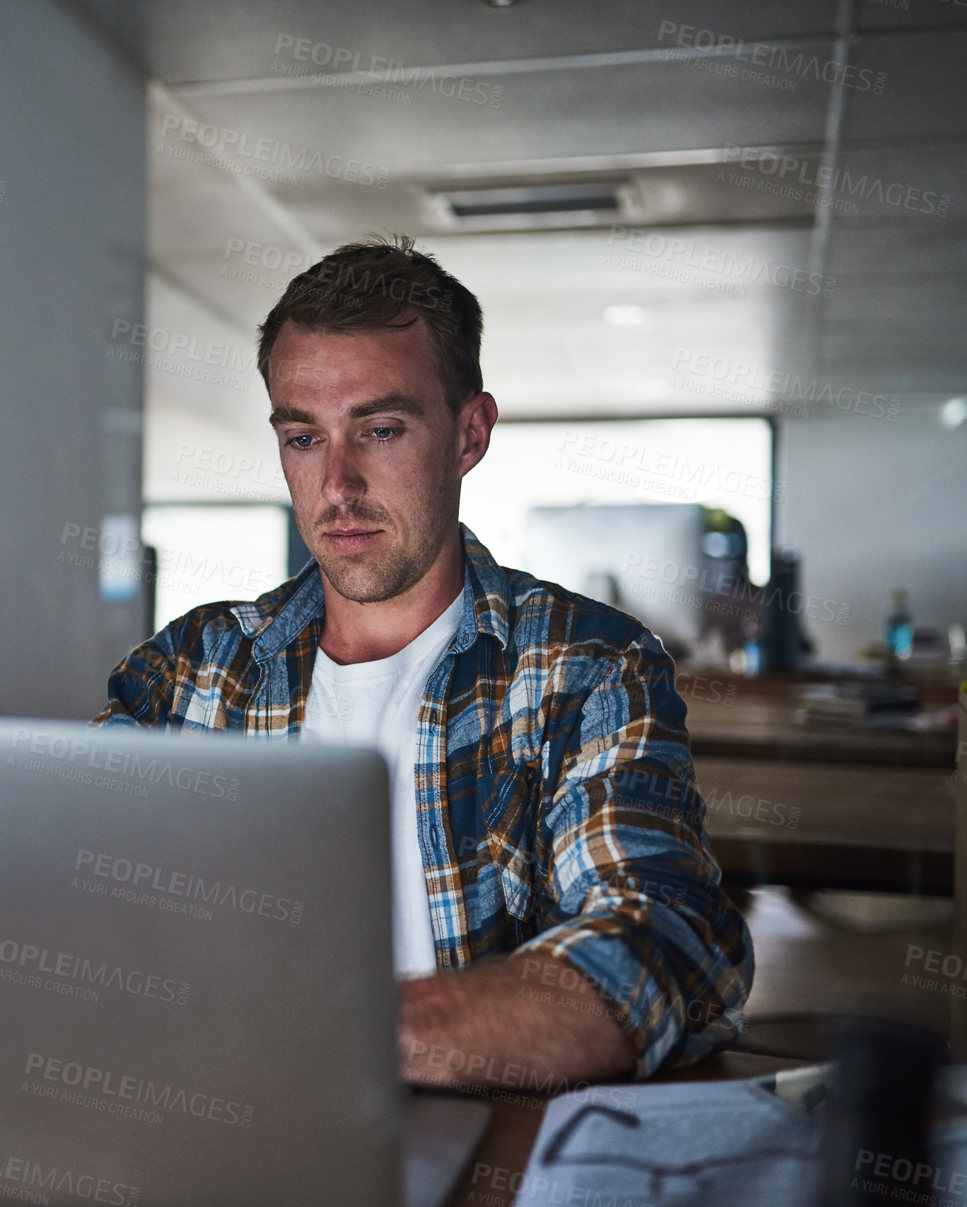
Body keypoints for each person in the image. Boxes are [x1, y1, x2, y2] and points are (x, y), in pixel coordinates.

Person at [94, 236, 753, 1087]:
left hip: (471, 1143)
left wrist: (328, 1035)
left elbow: (665, 945)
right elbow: (78, 908)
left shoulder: (586, 666)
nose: (337, 483)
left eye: (380, 428)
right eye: (302, 437)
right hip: (207, 1118)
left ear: (468, 433)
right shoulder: (186, 669)